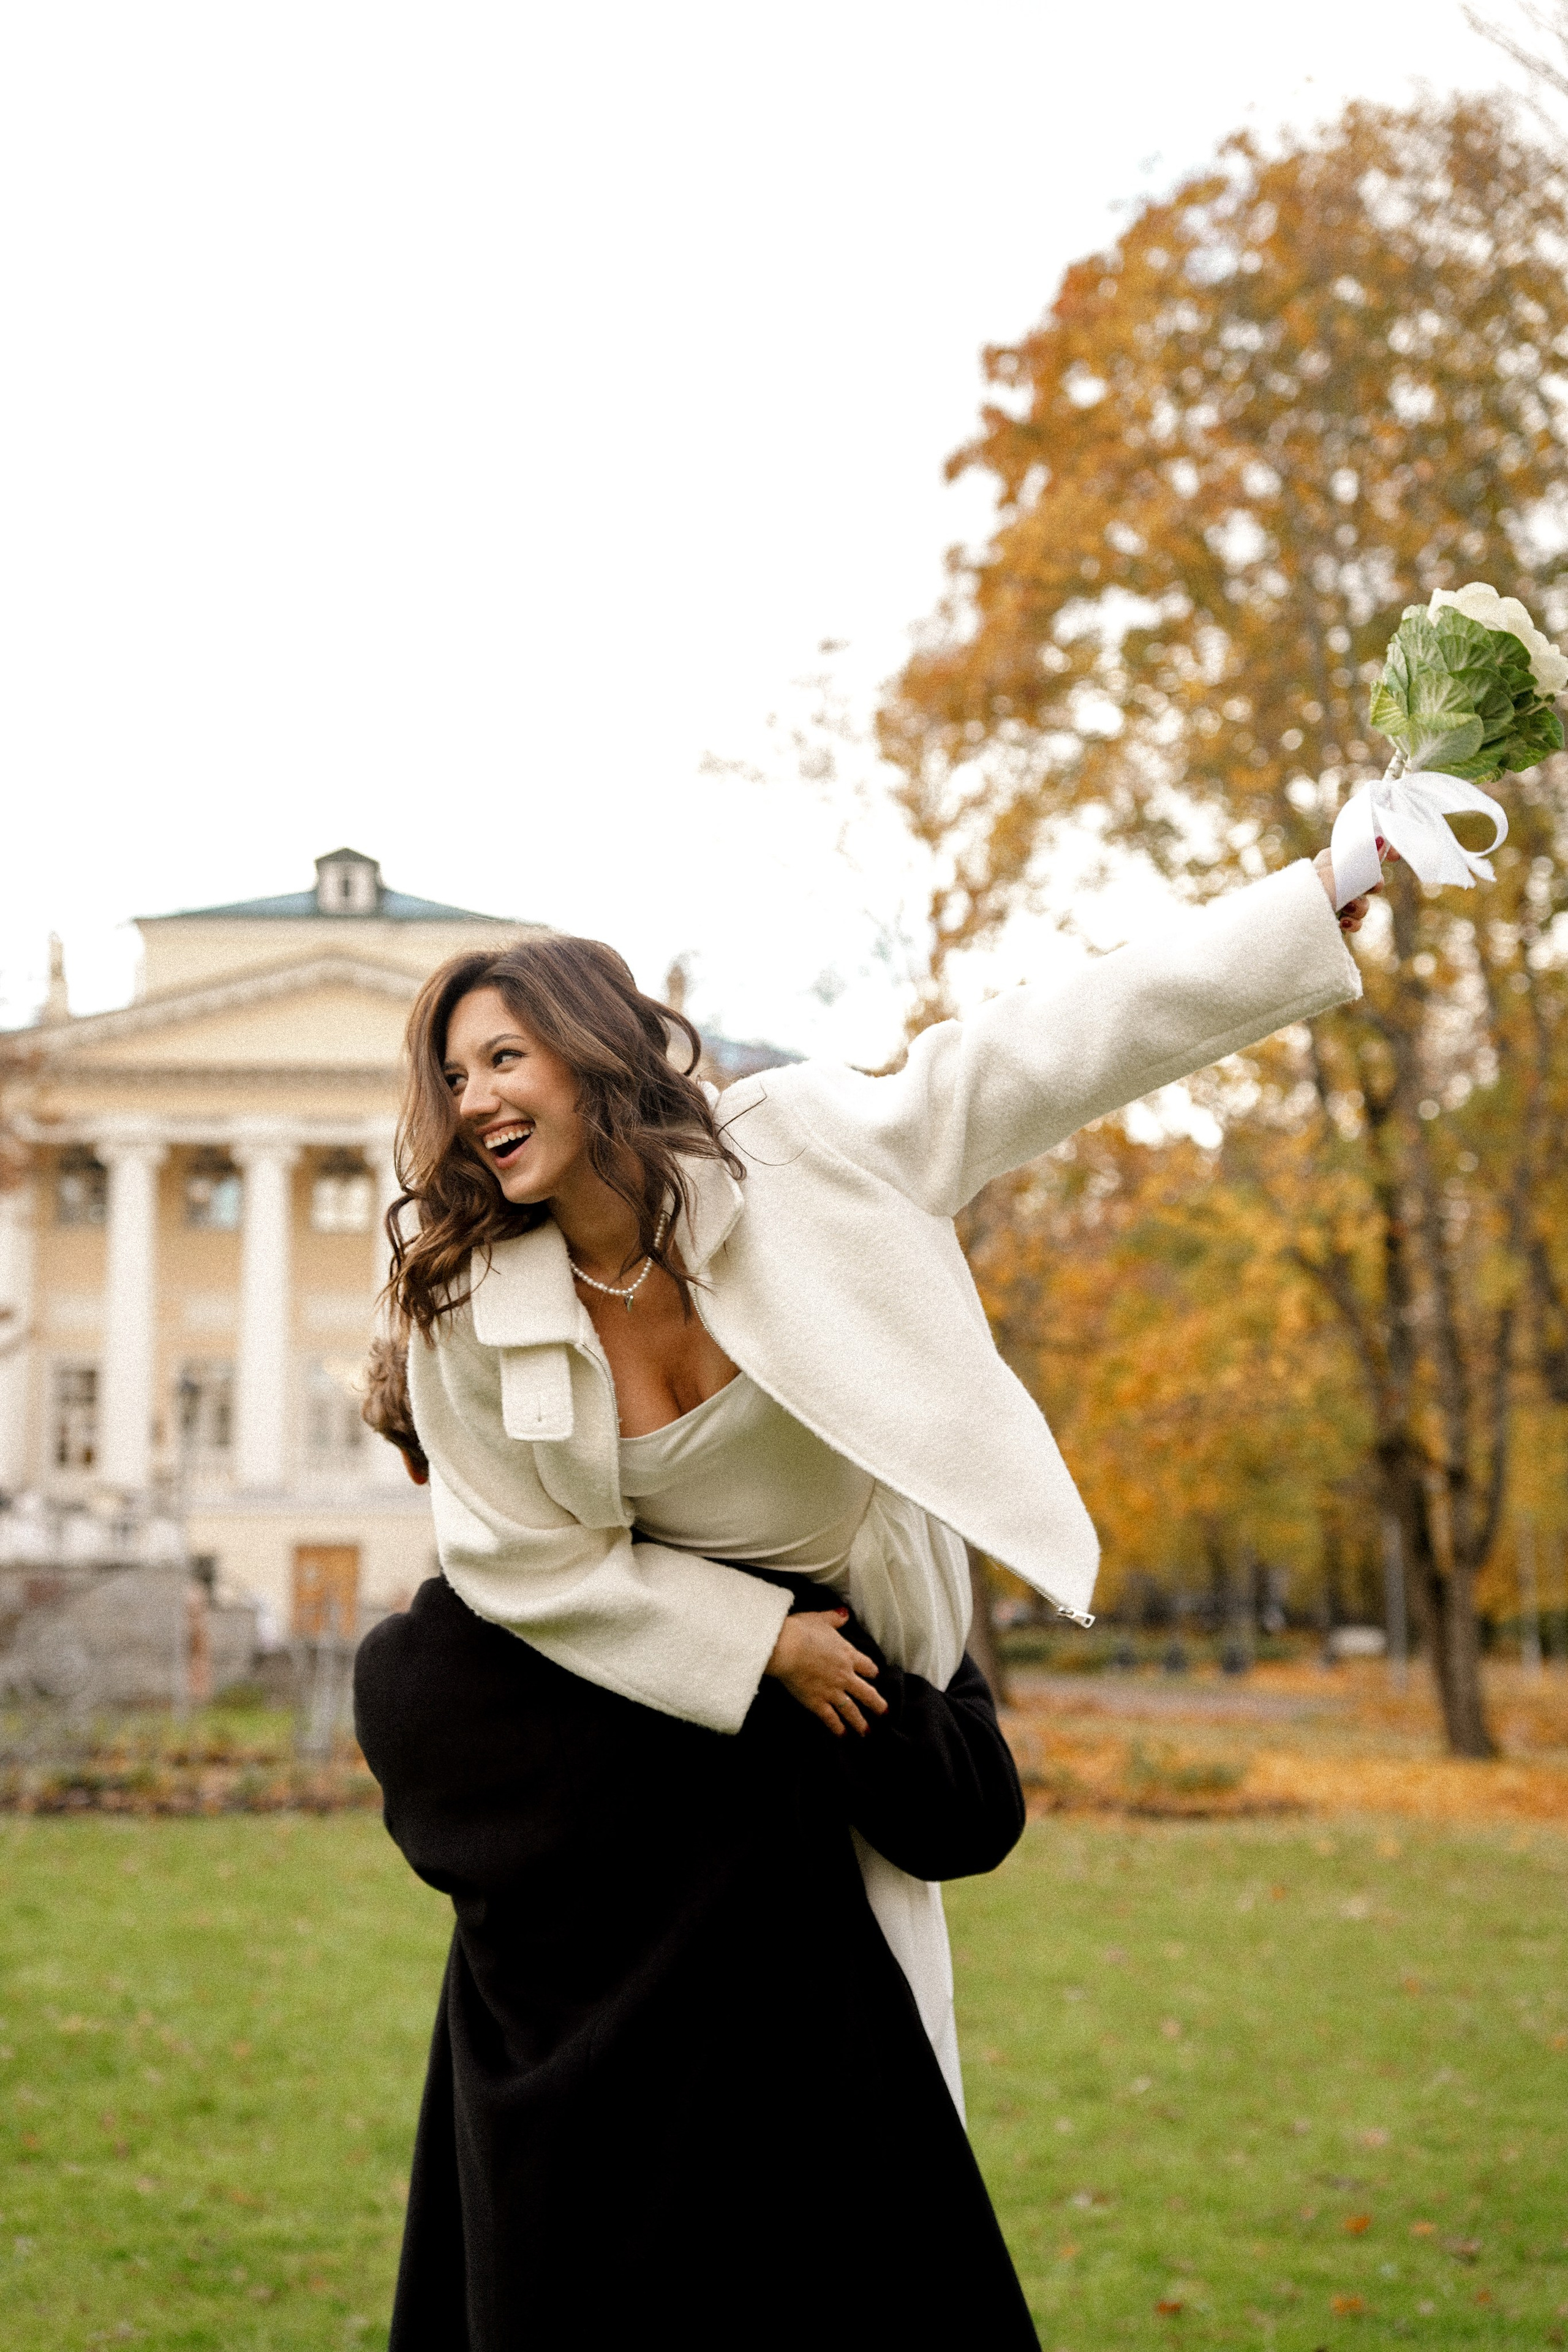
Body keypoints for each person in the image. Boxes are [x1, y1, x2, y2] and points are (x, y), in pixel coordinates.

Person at [353, 848, 1373, 2348]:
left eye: (505, 1055)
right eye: (453, 1078)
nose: (477, 1099)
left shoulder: (800, 1150)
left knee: (858, 2138)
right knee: (626, 2174)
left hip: (860, 1675)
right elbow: (519, 1566)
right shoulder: (465, 1306)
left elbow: (1029, 1056)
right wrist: (755, 1644)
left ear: (594, 1051)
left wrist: (1303, 909)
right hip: (659, 1695)